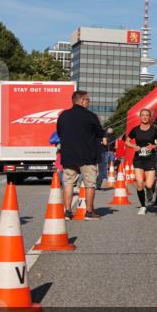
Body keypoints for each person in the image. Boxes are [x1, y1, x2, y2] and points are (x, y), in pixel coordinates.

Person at [55, 90, 105, 220]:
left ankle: (67, 211)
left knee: (68, 183)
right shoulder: (90, 116)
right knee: (90, 184)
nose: (89, 102)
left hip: (68, 155)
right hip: (87, 155)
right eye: (88, 100)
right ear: (82, 100)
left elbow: (59, 133)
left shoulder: (63, 115)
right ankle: (89, 212)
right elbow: (100, 133)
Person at [126, 108, 157, 214]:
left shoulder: (154, 130)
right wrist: (133, 146)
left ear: (150, 118)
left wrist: (154, 146)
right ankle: (143, 206)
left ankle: (149, 191)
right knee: (140, 183)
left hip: (150, 159)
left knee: (149, 185)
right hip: (138, 160)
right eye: (143, 115)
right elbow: (127, 142)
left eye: (147, 115)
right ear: (140, 117)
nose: (145, 117)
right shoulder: (135, 130)